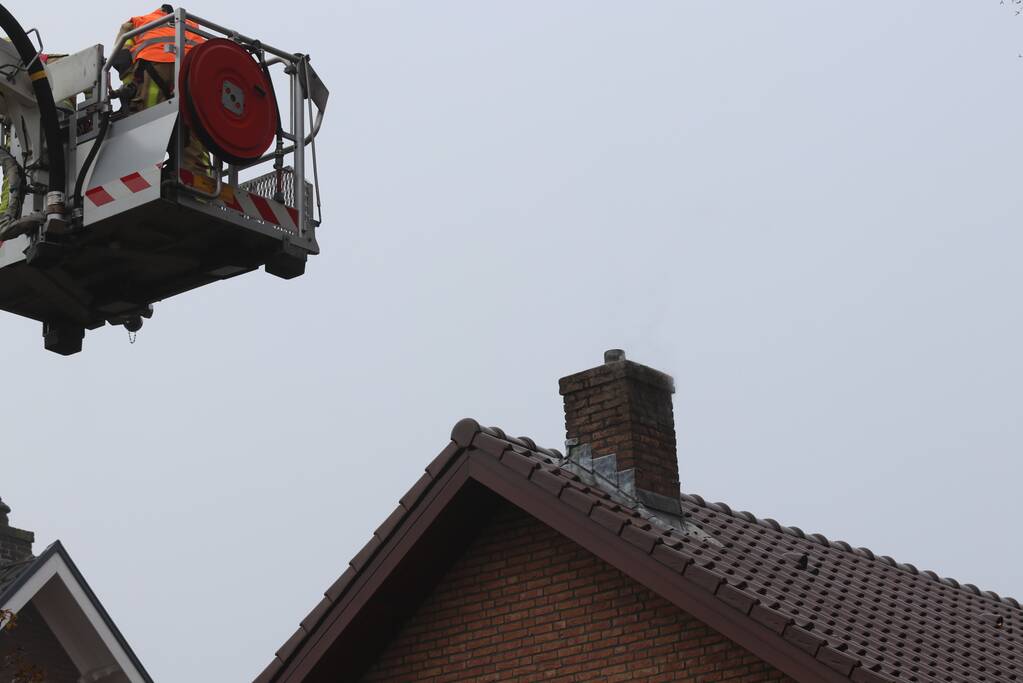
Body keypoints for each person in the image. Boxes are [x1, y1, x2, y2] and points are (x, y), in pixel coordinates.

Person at [112, 5, 211, 175]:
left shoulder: (139, 21)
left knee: (146, 123)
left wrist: (131, 85)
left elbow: (120, 58)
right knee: (193, 128)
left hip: (153, 68)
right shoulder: (193, 25)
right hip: (191, 73)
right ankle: (199, 184)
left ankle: (143, 175)